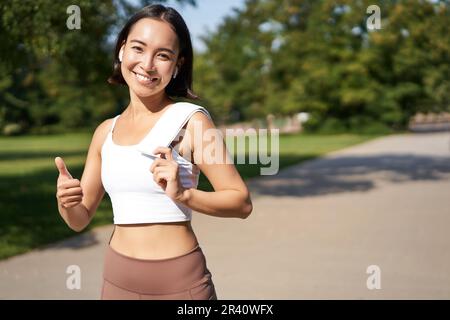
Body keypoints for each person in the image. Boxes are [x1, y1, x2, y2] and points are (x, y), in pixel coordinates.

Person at [54, 4, 252, 300]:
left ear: (177, 65)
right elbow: (80, 219)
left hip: (180, 283)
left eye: (163, 55)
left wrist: (185, 195)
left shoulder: (191, 121)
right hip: (117, 280)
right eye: (138, 48)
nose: (147, 64)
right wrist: (67, 202)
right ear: (122, 50)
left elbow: (241, 202)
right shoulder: (104, 132)